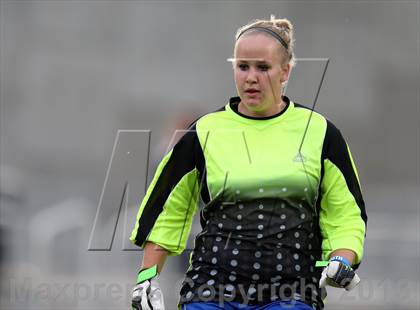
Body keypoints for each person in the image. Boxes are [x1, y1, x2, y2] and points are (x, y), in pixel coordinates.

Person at [130, 16, 367, 310]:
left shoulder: (320, 132)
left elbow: (345, 212)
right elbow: (167, 211)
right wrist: (147, 278)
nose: (251, 77)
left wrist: (341, 258)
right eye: (243, 67)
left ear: (285, 71)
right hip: (211, 289)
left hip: (292, 292)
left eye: (263, 67)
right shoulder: (203, 132)